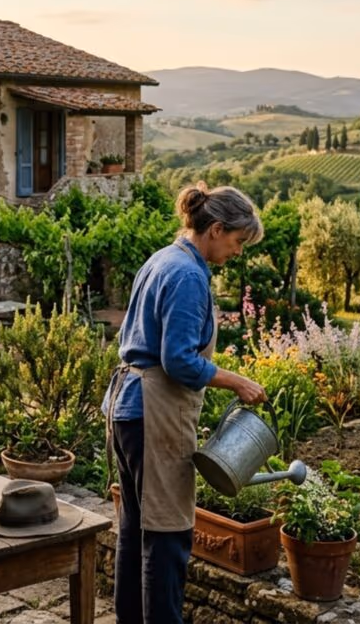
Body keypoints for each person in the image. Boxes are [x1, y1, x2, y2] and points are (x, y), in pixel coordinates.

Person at [103, 181, 268, 623]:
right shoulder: (188, 275)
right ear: (215, 229)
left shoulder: (164, 258)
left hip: (126, 408)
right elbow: (178, 360)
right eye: (236, 242)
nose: (236, 252)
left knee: (136, 528)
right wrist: (237, 382)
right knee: (168, 536)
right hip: (153, 414)